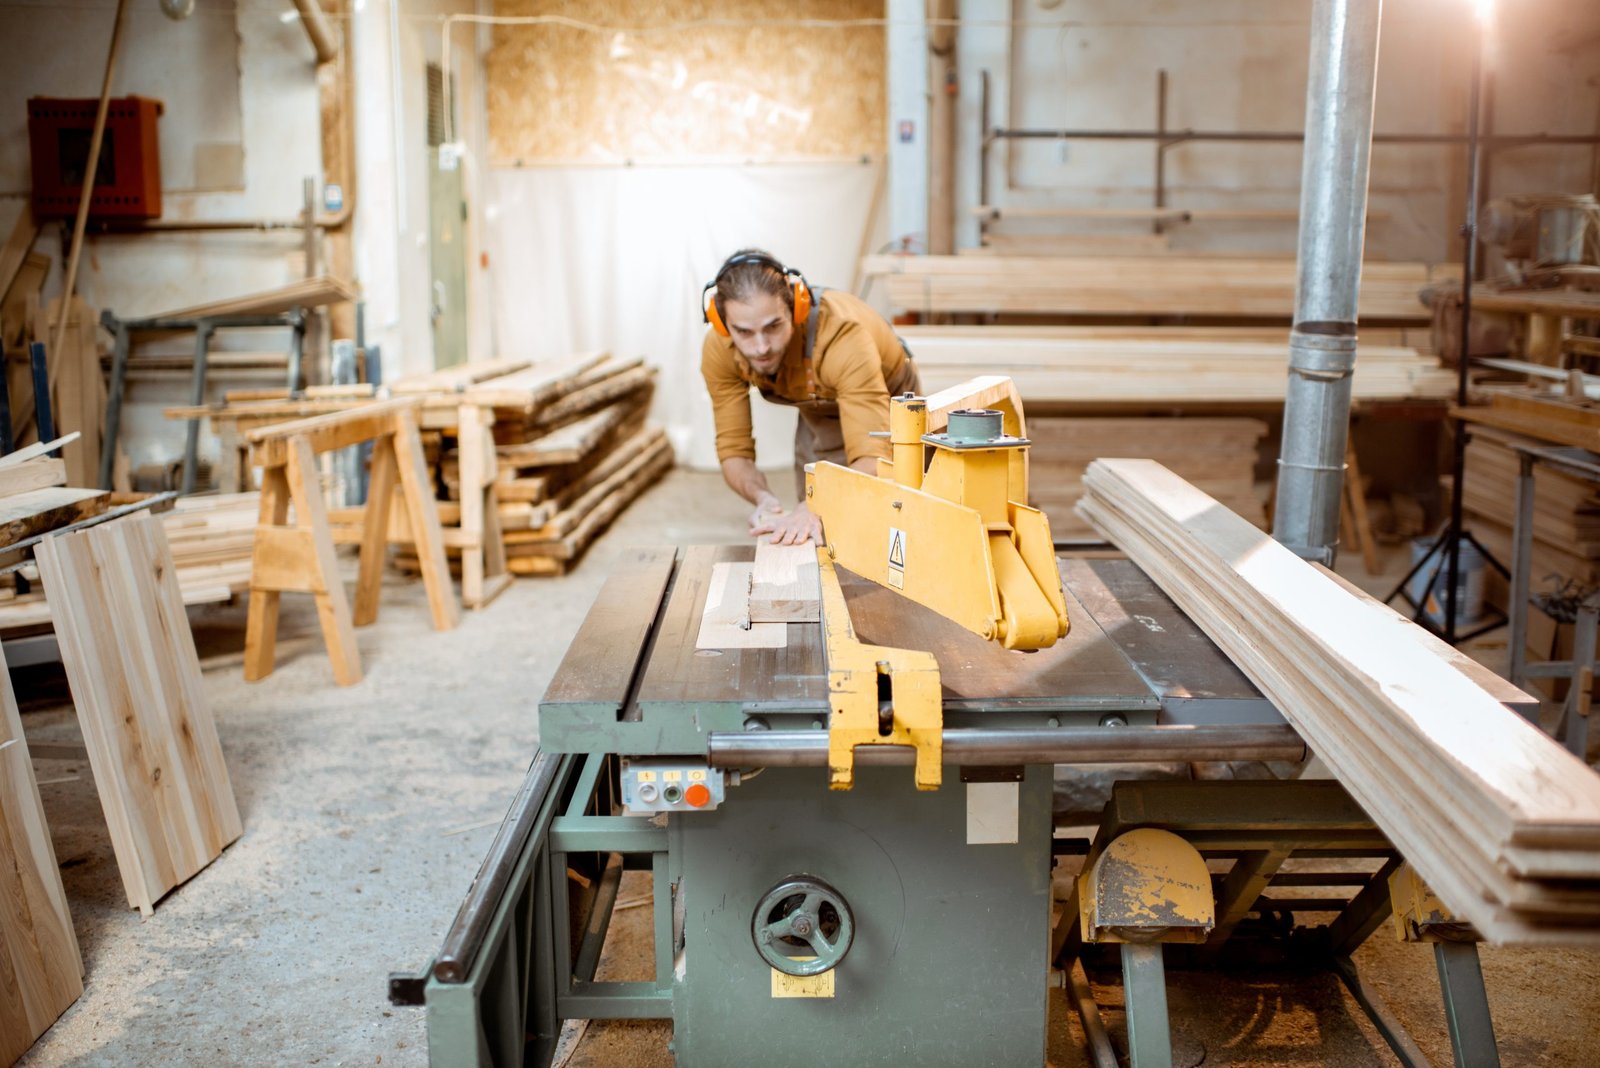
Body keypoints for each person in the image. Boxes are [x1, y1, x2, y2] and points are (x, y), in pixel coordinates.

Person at [700, 249, 921, 545]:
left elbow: (873, 459)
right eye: (744, 332)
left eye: (773, 327)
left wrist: (815, 506)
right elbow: (733, 452)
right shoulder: (720, 349)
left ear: (797, 308)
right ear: (723, 323)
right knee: (814, 521)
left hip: (890, 399)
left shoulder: (843, 338)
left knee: (890, 509)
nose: (761, 347)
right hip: (816, 403)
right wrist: (763, 499)